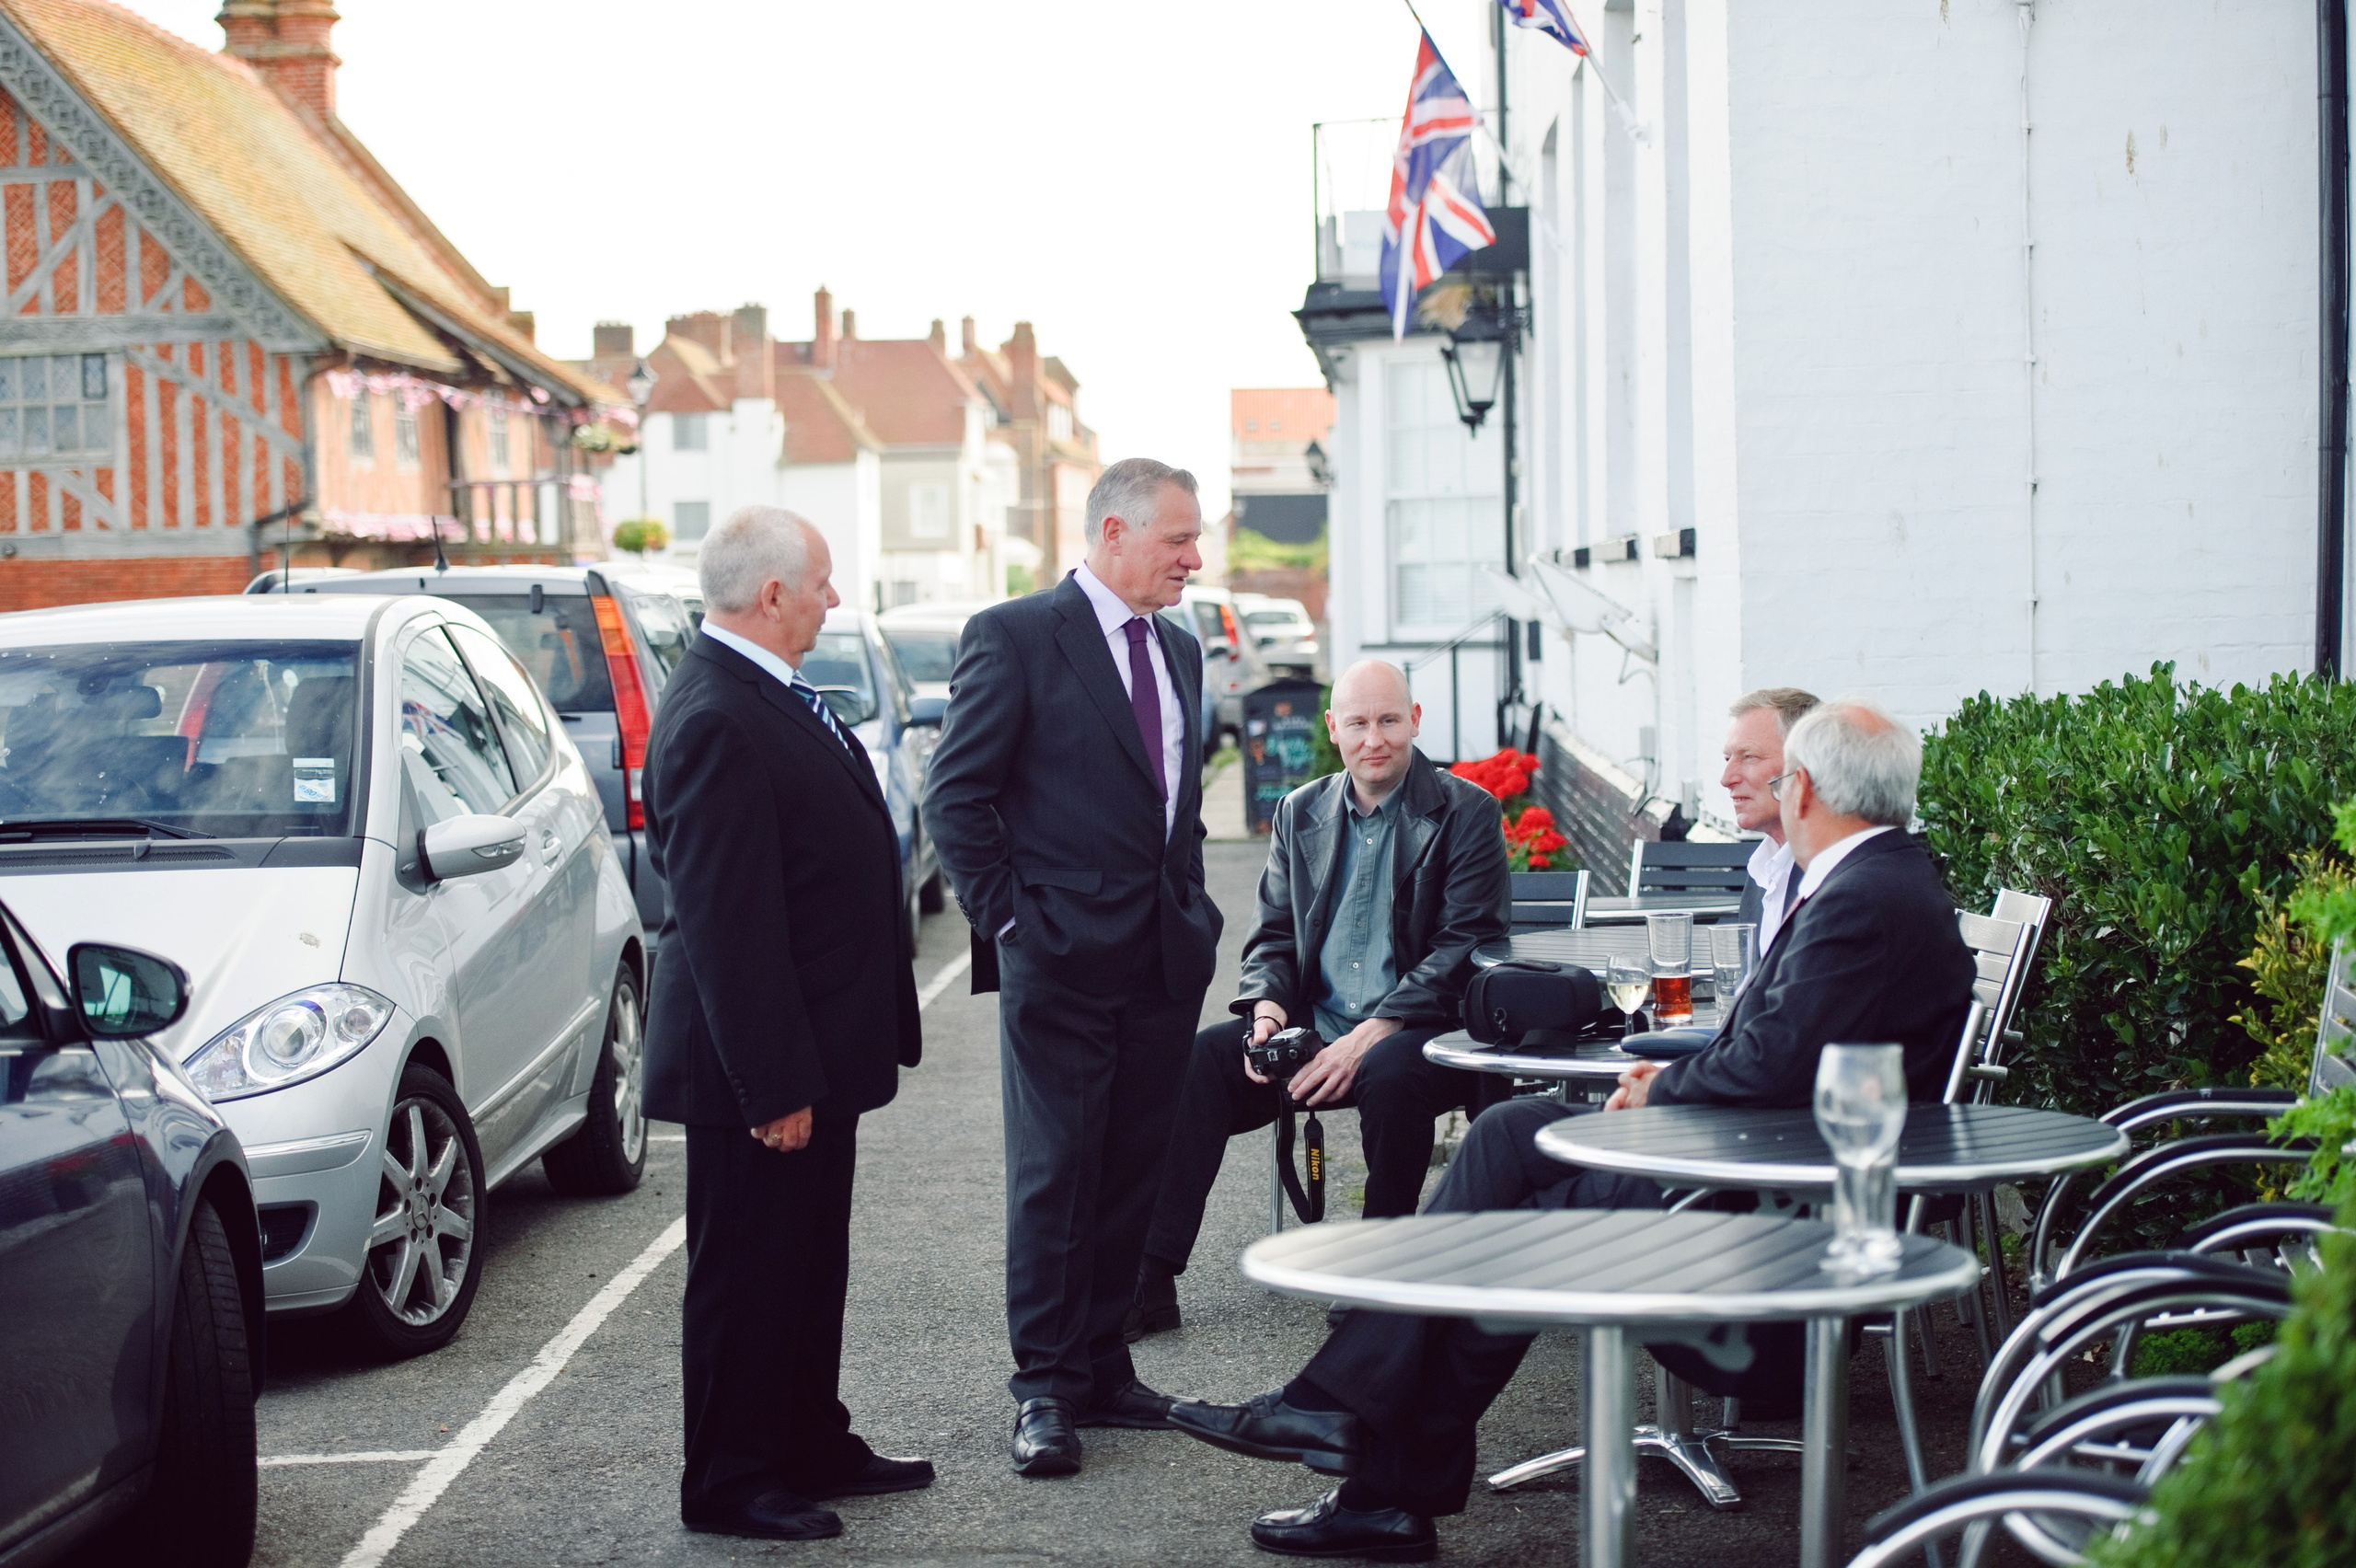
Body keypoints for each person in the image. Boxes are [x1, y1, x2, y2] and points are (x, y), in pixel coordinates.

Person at [1168, 698, 1975, 1562]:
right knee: (1510, 1132)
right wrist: (1669, 1083)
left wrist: (1662, 1087)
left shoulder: (1861, 899)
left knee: (1506, 1237)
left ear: (1803, 787)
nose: (1754, 781)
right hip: (1758, 1163)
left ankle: (1364, 1459)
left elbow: (1768, 1066)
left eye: (1771, 772)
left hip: (1773, 1213)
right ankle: (1351, 1437)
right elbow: (1783, 1052)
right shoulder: (1874, 881)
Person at [921, 456, 1223, 1477]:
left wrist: (1192, 909)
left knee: (1134, 1164)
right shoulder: (1014, 636)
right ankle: (1044, 1389)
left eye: (1195, 539)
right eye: (1179, 539)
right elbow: (955, 797)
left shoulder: (1179, 649)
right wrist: (1013, 922)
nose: (1194, 558)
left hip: (1163, 955)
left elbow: (1172, 803)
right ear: (1112, 534)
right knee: (1057, 1173)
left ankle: (1104, 1368)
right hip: (1057, 957)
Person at [641, 507, 929, 1542]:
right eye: (820, 583)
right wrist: (774, 1086)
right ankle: (729, 1480)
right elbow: (731, 925)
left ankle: (807, 1440)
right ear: (772, 595)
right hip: (759, 1070)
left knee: (806, 1267)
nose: (832, 600)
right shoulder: (717, 715)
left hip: (818, 1049)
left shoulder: (766, 690)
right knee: (748, 1279)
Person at [1126, 658, 1509, 1340]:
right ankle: (1149, 1280)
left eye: (1389, 720)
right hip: (1316, 1025)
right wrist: (1266, 1013)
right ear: (1333, 728)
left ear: (1415, 721)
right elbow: (1273, 934)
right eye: (1358, 723)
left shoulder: (1467, 812)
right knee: (1201, 1064)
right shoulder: (1300, 810)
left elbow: (1466, 944)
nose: (1374, 739)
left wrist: (1373, 1032)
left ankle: (1380, 1275)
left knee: (1388, 1076)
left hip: (1422, 1031)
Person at [1723, 686, 1819, 955]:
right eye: (1727, 758)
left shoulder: (1834, 876)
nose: (1726, 778)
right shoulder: (1763, 869)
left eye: (1749, 757)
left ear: (1805, 766)